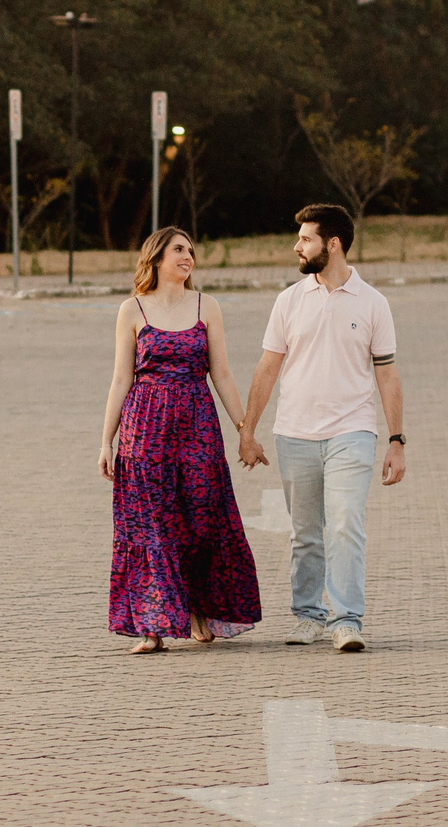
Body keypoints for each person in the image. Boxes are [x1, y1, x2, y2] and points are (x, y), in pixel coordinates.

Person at [238, 203, 405, 653]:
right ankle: (308, 616)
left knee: (346, 523)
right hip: (294, 434)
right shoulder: (289, 301)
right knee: (306, 533)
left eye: (305, 239)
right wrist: (248, 431)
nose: (297, 247)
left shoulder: (373, 303)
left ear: (332, 244)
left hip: (353, 431)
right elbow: (267, 368)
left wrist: (396, 440)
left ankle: (346, 620)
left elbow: (387, 374)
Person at [100, 225, 262, 653]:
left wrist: (245, 430)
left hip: (198, 428)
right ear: (156, 257)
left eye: (191, 250)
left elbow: (221, 373)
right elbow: (120, 379)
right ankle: (152, 627)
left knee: (201, 520)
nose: (188, 256)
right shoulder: (132, 310)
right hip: (145, 432)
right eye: (178, 249)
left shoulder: (207, 306)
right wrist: (106, 442)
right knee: (152, 526)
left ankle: (196, 610)